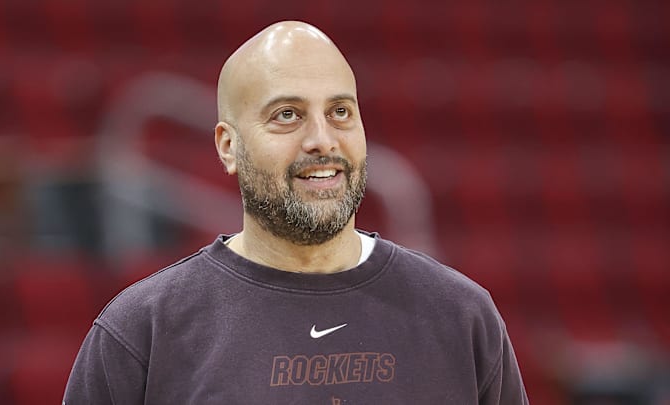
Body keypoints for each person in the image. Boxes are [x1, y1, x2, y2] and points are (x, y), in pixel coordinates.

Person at [63, 20, 529, 404]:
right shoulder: (142, 331)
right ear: (228, 146)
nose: (322, 140)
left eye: (340, 112)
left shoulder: (462, 316)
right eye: (287, 114)